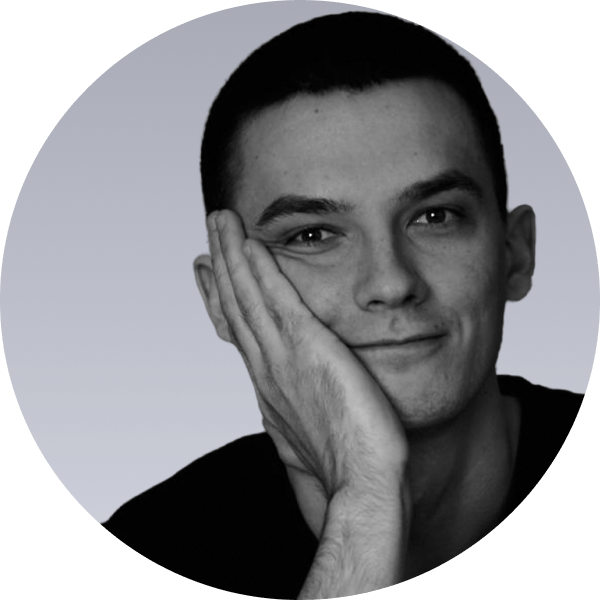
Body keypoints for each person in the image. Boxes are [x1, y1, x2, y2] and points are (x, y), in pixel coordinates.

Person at [102, 12, 583, 599]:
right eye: (313, 235)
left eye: (435, 216)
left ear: (516, 254)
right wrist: (367, 502)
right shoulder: (141, 555)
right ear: (224, 297)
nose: (391, 282)